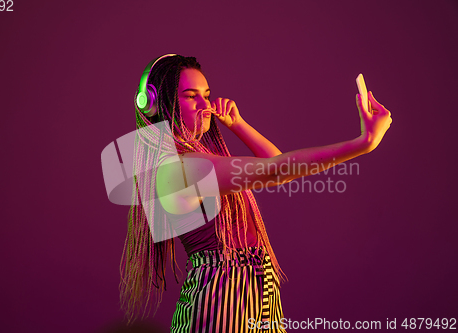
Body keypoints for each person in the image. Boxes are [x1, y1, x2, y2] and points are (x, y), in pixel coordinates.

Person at [119, 55, 392, 332]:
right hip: (219, 301)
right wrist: (363, 144)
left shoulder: (194, 159)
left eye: (207, 95)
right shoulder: (178, 169)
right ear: (156, 104)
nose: (206, 106)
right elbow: (276, 170)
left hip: (255, 291)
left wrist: (238, 124)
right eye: (191, 97)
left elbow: (274, 166)